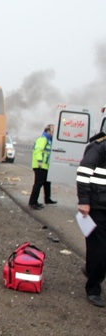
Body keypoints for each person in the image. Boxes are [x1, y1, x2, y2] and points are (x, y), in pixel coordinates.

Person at [76, 131, 106, 307]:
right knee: (98, 249)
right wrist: (84, 201)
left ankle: (92, 270)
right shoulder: (100, 146)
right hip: (98, 207)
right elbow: (83, 172)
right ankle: (93, 288)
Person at [28, 124, 57, 210]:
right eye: (52, 131)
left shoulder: (49, 140)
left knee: (47, 183)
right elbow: (38, 151)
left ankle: (47, 199)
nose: (53, 133)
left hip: (45, 166)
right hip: (40, 165)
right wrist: (40, 161)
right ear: (48, 131)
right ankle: (32, 202)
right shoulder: (43, 139)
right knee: (38, 184)